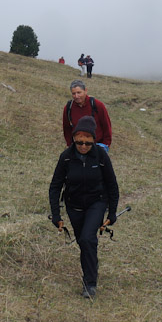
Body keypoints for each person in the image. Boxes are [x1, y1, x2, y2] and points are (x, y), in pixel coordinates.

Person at [49, 116, 119, 299]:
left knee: (88, 239)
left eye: (88, 143)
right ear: (73, 139)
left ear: (94, 140)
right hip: (74, 205)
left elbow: (112, 184)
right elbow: (55, 186)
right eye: (79, 142)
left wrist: (112, 212)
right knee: (83, 242)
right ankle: (91, 265)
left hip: (97, 203)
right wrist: (56, 215)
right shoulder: (66, 157)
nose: (83, 146)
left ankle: (90, 284)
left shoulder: (101, 156)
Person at [63, 80, 112, 152]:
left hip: (97, 146)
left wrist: (105, 145)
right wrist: (70, 145)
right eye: (73, 93)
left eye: (79, 92)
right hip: (78, 146)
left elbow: (106, 126)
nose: (76, 96)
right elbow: (66, 128)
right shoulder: (68, 108)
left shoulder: (98, 105)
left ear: (85, 91)